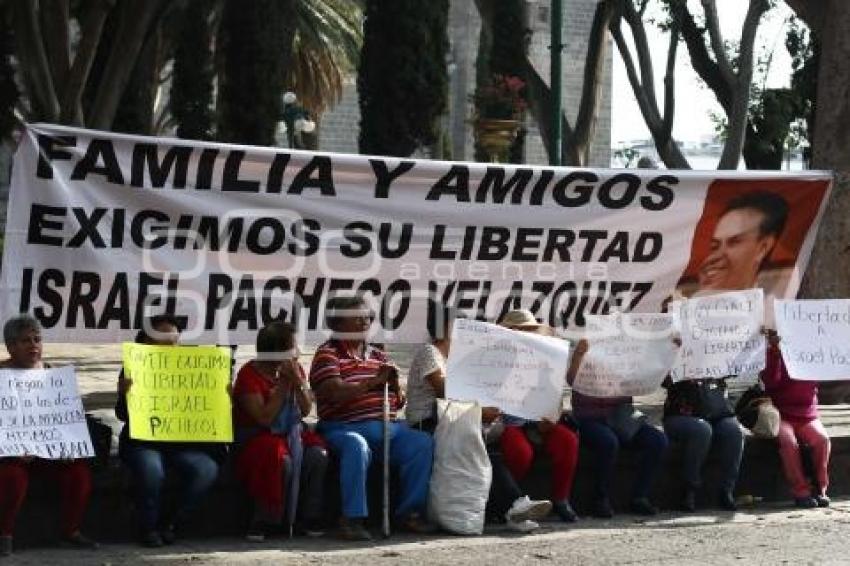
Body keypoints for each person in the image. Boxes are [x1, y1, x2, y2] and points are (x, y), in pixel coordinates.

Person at [406, 308, 552, 533]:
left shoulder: (461, 357)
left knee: (488, 449)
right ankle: (515, 506)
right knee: (481, 446)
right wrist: (481, 408)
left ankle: (513, 509)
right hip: (428, 420)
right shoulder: (430, 351)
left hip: (456, 421)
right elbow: (443, 389)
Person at [309, 295, 434, 540]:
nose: (366, 322)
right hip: (343, 426)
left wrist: (395, 385)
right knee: (357, 445)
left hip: (386, 427)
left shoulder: (378, 355)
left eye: (368, 317)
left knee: (422, 443)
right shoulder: (328, 353)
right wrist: (373, 382)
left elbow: (396, 403)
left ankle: (409, 513)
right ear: (339, 324)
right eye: (359, 317)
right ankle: (352, 518)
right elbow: (333, 393)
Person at [116, 314, 224, 547]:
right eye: (163, 340)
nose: (171, 346)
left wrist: (222, 394)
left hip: (182, 443)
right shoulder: (133, 368)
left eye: (174, 340)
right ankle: (148, 527)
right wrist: (123, 394)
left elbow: (208, 410)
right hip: (143, 442)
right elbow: (123, 415)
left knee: (206, 469)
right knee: (152, 470)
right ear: (146, 342)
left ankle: (172, 523)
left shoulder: (192, 368)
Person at [0, 315, 98, 557]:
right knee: (12, 477)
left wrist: (67, 446)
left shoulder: (54, 376)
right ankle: (5, 535)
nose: (34, 345)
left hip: (49, 453)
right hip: (11, 455)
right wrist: (11, 448)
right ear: (11, 347)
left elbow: (66, 419)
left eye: (37, 339)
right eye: (25, 341)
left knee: (79, 473)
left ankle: (70, 531)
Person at [233, 321, 328, 541]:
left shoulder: (295, 370)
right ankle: (266, 518)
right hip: (256, 436)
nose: (297, 352)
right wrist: (283, 386)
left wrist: (297, 382)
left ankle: (309, 515)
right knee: (278, 458)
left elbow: (304, 410)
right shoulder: (249, 375)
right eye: (292, 347)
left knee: (318, 454)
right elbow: (264, 418)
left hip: (291, 432)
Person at [496, 309, 580, 523]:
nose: (525, 335)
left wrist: (552, 416)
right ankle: (506, 501)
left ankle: (561, 499)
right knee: (519, 452)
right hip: (509, 423)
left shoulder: (544, 359)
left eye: (529, 331)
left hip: (539, 422)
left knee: (568, 440)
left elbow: (555, 395)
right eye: (520, 330)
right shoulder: (494, 360)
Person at [569, 339, 669, 518]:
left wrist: (669, 350)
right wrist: (578, 355)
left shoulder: (627, 357)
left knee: (657, 440)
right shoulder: (586, 351)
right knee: (609, 442)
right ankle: (601, 498)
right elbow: (571, 380)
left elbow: (650, 372)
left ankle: (640, 496)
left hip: (622, 417)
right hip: (590, 418)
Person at [762, 330, 830, 508]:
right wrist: (775, 354)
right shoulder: (774, 353)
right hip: (780, 412)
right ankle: (801, 491)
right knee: (788, 442)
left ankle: (820, 489)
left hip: (807, 413)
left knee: (822, 440)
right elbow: (770, 382)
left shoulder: (816, 352)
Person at [662, 375, 744, 511]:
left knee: (734, 432)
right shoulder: (673, 355)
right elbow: (662, 380)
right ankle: (689, 490)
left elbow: (734, 367)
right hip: (681, 415)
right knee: (702, 430)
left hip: (717, 411)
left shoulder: (714, 356)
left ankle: (726, 490)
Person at [696, 191, 789, 293]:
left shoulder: (775, 305)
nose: (716, 257)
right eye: (715, 246)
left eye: (733, 243)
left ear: (763, 248)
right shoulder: (686, 302)